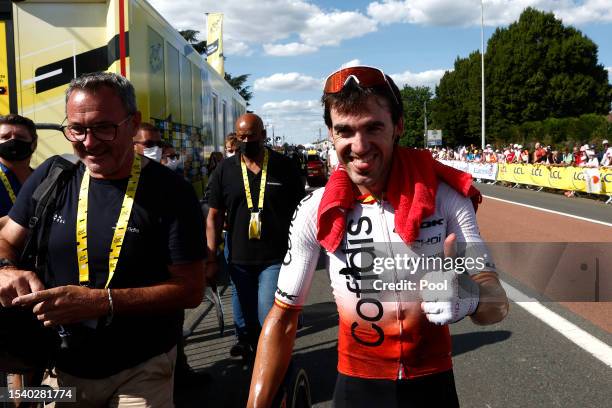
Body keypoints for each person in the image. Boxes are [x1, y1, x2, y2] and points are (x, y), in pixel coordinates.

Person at [247, 66, 509, 408]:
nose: (359, 146)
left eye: (373, 127)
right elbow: (282, 318)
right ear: (331, 134)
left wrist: (470, 296)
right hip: (357, 384)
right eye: (345, 131)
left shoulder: (444, 198)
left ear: (398, 126)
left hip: (431, 383)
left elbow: (497, 301)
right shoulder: (316, 209)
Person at [0, 72, 206, 406]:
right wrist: (6, 269)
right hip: (62, 364)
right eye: (77, 129)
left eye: (103, 128)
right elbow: (6, 238)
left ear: (133, 122)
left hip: (141, 368)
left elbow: (191, 289)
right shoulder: (53, 175)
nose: (89, 142)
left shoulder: (171, 192)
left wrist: (101, 301)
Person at [206, 113, 304, 357]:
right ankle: (247, 345)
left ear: (263, 135)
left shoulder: (284, 166)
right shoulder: (225, 170)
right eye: (241, 137)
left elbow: (301, 211)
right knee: (242, 307)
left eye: (251, 136)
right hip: (237, 255)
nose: (246, 141)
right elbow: (214, 215)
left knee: (266, 312)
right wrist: (210, 255)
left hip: (274, 256)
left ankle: (271, 360)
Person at [0, 114, 37, 218]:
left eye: (20, 137)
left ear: (33, 144)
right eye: (5, 137)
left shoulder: (44, 179)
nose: (13, 141)